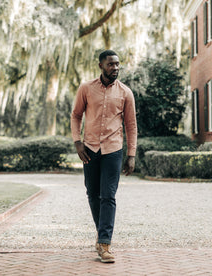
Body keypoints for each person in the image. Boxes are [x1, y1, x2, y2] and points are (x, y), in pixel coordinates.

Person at [70, 50, 137, 263]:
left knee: (108, 195)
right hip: (89, 148)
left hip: (113, 150)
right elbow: (76, 115)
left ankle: (105, 244)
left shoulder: (126, 93)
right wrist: (77, 142)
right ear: (101, 65)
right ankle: (101, 235)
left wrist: (131, 154)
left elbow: (131, 126)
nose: (115, 68)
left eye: (117, 64)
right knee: (92, 193)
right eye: (110, 64)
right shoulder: (86, 88)